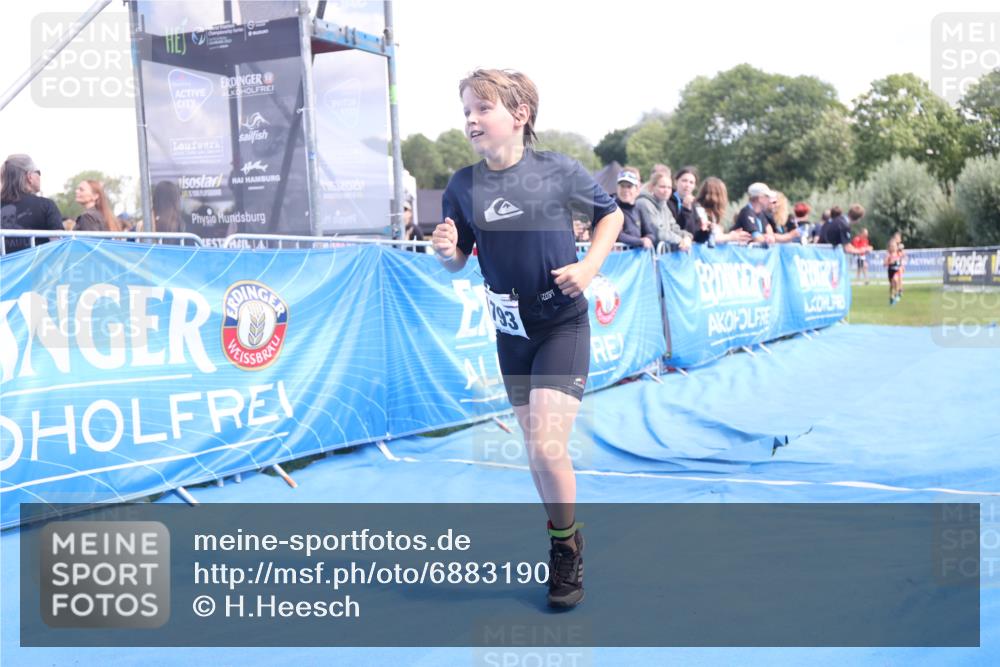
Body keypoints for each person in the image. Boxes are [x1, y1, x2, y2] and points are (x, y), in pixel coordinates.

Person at [433, 68, 623, 609]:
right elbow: (457, 262)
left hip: (561, 322)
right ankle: (562, 532)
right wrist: (447, 251)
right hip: (511, 333)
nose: (470, 118)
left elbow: (609, 216)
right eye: (465, 109)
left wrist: (588, 268)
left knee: (545, 445)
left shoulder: (557, 170)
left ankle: (566, 548)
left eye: (482, 108)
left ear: (519, 116)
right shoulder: (461, 186)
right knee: (537, 455)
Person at [0, 153, 63, 253]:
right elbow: (58, 247)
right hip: (37, 268)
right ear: (29, 176)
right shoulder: (46, 205)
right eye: (38, 172)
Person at [636, 170, 692, 251]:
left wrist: (687, 236)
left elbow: (674, 227)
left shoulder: (663, 204)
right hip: (647, 255)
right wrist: (680, 240)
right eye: (662, 187)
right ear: (652, 187)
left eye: (669, 187)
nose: (666, 190)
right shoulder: (643, 203)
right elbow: (658, 232)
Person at [692, 176, 750, 246]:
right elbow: (706, 238)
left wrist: (731, 236)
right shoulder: (699, 210)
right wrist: (730, 237)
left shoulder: (713, 214)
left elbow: (715, 237)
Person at [613, 167, 653, 249]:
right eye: (622, 186)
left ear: (637, 189)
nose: (625, 190)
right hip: (618, 258)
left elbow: (650, 233)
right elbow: (617, 235)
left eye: (629, 186)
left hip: (638, 258)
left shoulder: (639, 208)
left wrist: (648, 239)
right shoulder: (612, 209)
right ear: (617, 188)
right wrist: (640, 242)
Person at [669, 166, 698, 234]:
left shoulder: (695, 204)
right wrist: (685, 209)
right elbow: (677, 229)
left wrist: (706, 231)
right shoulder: (668, 201)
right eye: (684, 181)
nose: (687, 185)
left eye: (691, 182)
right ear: (676, 182)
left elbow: (694, 233)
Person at [885, 237, 904, 305]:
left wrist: (902, 266)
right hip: (890, 271)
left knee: (895, 280)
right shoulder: (888, 255)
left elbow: (902, 260)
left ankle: (897, 294)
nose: (893, 248)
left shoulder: (898, 254)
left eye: (894, 246)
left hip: (897, 271)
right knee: (891, 285)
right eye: (891, 246)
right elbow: (884, 264)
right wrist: (890, 262)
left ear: (896, 247)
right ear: (889, 247)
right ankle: (891, 297)